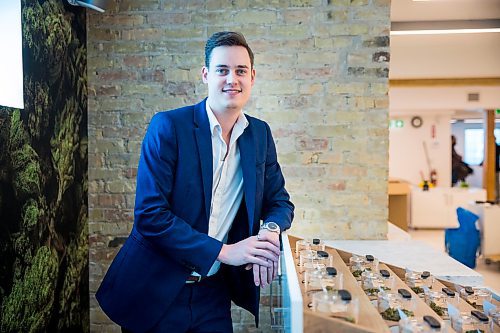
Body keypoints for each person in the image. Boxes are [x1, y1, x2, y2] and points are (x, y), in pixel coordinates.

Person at [96, 32, 294, 333]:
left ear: (252, 77)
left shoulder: (260, 135)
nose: (232, 79)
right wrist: (226, 252)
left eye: (241, 71)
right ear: (205, 75)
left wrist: (269, 231)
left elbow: (279, 201)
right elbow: (150, 215)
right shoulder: (169, 127)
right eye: (222, 70)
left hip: (213, 293)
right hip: (156, 290)